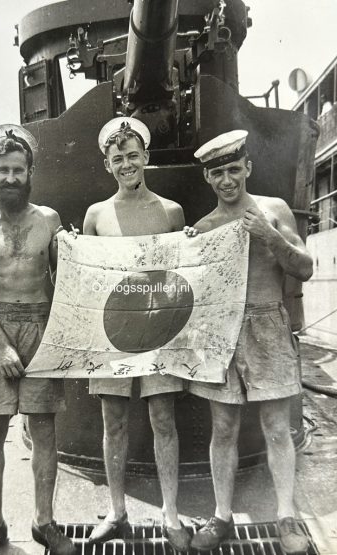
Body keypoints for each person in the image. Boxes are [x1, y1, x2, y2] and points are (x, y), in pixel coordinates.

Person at [184, 130, 313, 554]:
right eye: (217, 172)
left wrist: (270, 236)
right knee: (223, 429)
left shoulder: (272, 210)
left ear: (248, 169)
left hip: (268, 324)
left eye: (234, 169)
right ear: (208, 178)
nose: (227, 180)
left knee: (277, 427)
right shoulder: (203, 228)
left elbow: (305, 269)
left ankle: (286, 516)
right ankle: (221, 516)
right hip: (222, 332)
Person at [0, 124, 75, 555]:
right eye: (3, 170)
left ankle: (44, 522)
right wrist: (2, 345)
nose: (11, 178)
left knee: (44, 432)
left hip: (41, 330)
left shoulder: (48, 220)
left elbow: (66, 276)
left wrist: (78, 251)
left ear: (30, 173)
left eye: (18, 170)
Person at [83, 117, 190, 552]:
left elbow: (186, 276)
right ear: (108, 165)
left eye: (132, 156)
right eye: (117, 159)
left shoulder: (170, 211)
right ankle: (116, 511)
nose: (126, 164)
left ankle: (170, 512)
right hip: (112, 333)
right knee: (114, 420)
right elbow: (85, 280)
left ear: (145, 157)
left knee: (163, 417)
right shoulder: (96, 214)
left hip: (159, 330)